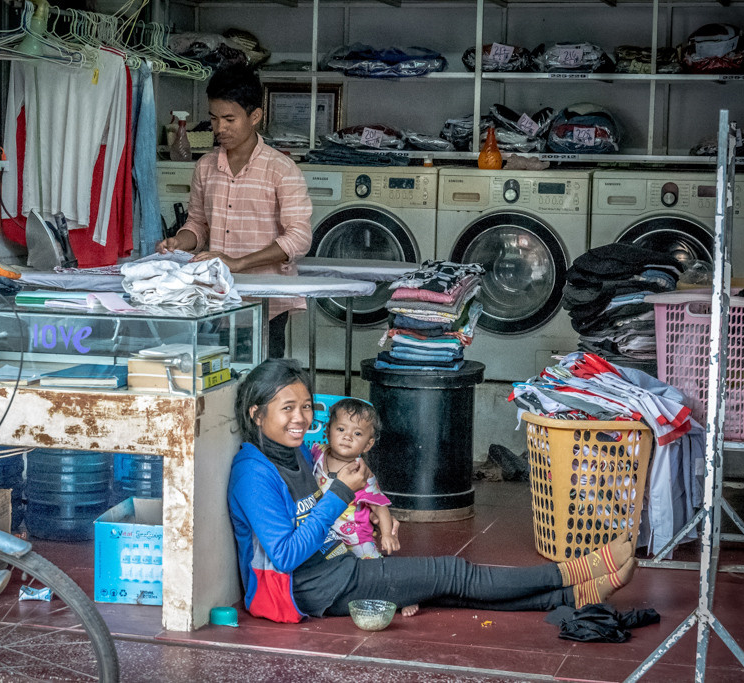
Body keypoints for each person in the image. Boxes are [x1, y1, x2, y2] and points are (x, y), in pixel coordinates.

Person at [227, 359, 637, 624]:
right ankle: (575, 571)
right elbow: (283, 556)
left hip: (334, 569)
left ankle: (574, 595)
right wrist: (337, 494)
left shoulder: (292, 452)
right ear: (256, 413)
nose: (300, 418)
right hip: (308, 589)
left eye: (306, 406)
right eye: (287, 408)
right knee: (451, 573)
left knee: (446, 590)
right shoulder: (253, 473)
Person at [155, 65, 312, 359]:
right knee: (216, 383)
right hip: (216, 299)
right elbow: (198, 225)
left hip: (267, 303)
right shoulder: (205, 166)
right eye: (213, 119)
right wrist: (180, 241)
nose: (219, 129)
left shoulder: (281, 169)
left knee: (264, 388)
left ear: (255, 116)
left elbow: (299, 238)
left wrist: (239, 263)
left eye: (229, 119)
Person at [311, 399, 398, 560]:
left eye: (357, 433)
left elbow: (379, 507)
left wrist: (387, 534)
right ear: (327, 431)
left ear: (368, 444)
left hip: (356, 538)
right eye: (341, 429)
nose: (347, 437)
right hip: (324, 535)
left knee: (370, 571)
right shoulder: (317, 453)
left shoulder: (362, 473)